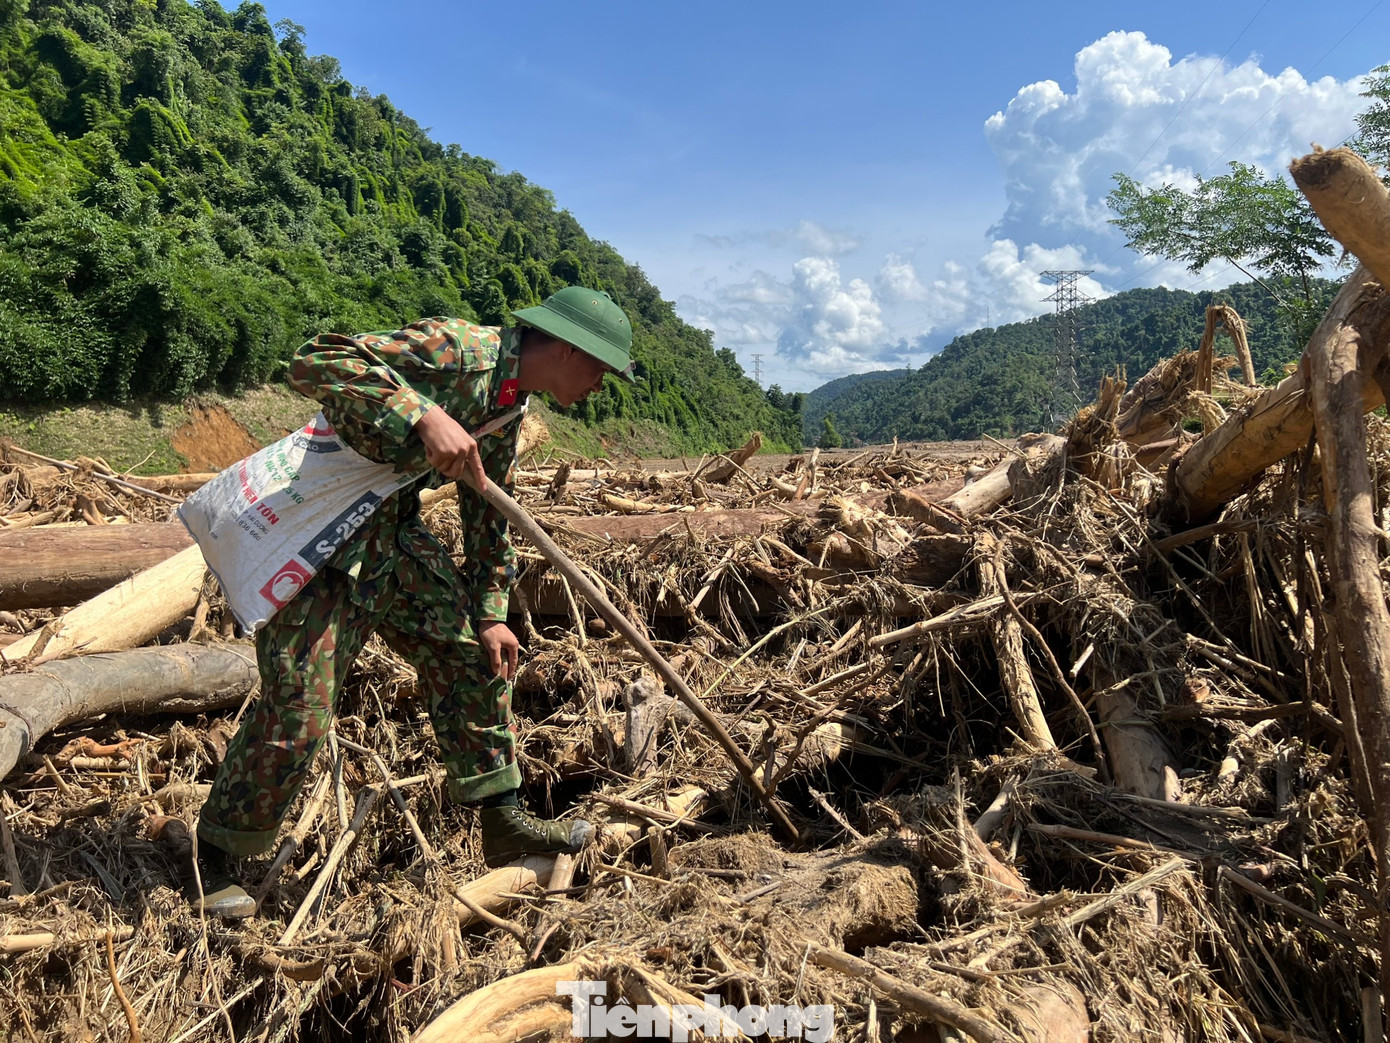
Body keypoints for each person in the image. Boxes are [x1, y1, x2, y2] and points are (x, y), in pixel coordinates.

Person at [185, 286, 637, 919]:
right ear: (565, 349)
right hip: (322, 531)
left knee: (476, 656)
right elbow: (315, 358)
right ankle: (215, 853)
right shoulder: (455, 350)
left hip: (391, 532)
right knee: (301, 712)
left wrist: (490, 613)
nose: (599, 385)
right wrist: (420, 413)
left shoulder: (510, 407)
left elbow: (487, 510)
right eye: (599, 369)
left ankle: (502, 817)